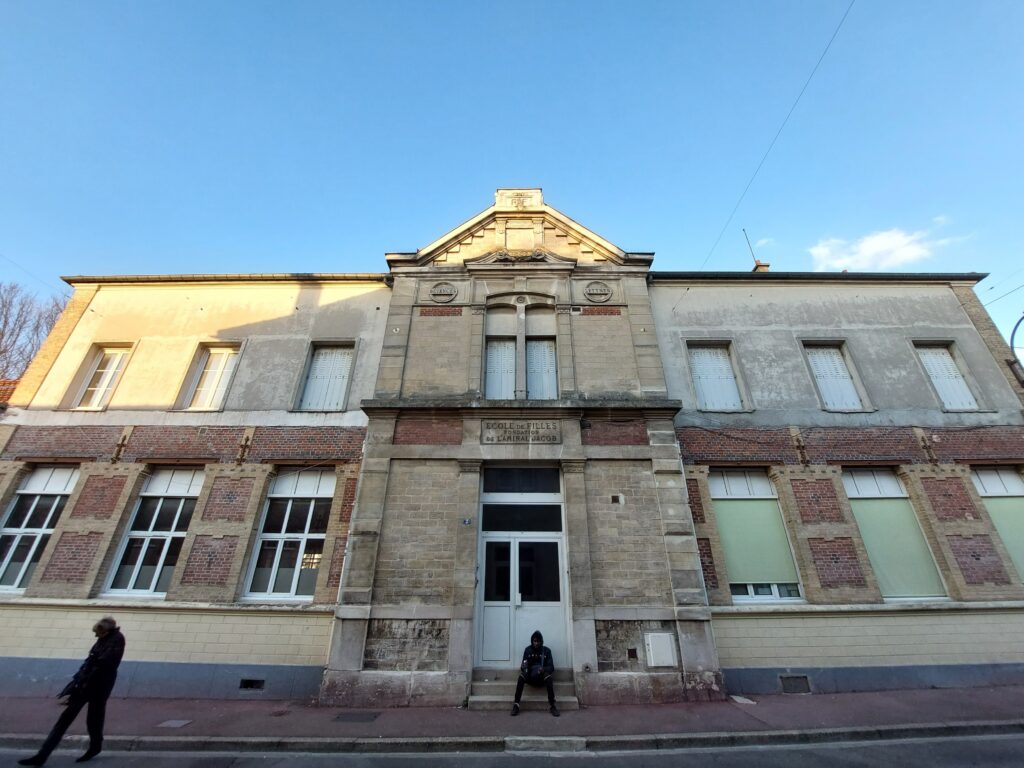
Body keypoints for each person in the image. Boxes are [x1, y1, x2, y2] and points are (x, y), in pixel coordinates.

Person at [19, 617, 126, 766]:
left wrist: (88, 671)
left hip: (100, 686)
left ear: (106, 631)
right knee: (65, 720)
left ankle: (95, 746)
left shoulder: (117, 639)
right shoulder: (103, 640)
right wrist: (77, 683)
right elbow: (90, 662)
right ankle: (42, 755)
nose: (96, 636)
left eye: (98, 633)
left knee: (94, 719)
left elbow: (105, 663)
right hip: (85, 685)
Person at [511, 630, 559, 717]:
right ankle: (516, 705)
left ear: (541, 641)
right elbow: (523, 666)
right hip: (530, 676)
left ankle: (552, 706)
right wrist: (525, 668)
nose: (536, 643)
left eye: (538, 641)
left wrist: (543, 669)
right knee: (521, 677)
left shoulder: (547, 651)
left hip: (541, 676)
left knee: (549, 678)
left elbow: (551, 668)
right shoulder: (527, 650)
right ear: (532, 641)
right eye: (534, 641)